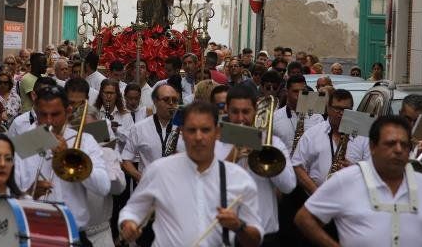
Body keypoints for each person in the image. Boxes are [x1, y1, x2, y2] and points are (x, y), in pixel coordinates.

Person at [119, 101, 264, 247]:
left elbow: (255, 240)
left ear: (218, 132)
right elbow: (132, 210)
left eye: (206, 130)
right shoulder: (159, 171)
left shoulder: (239, 178)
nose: (198, 137)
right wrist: (129, 224)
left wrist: (238, 226)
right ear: (182, 131)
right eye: (192, 130)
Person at [294, 115, 422, 247]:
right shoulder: (346, 179)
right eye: (390, 143)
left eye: (404, 145)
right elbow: (304, 219)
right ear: (373, 146)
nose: (399, 150)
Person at [19, 86, 111, 246]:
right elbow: (6, 194)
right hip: (33, 233)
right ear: (36, 111)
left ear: (68, 111)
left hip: (73, 234)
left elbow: (103, 187)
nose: (48, 121)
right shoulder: (25, 141)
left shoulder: (85, 141)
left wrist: (70, 156)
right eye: (43, 115)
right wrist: (29, 194)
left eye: (55, 114)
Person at [224, 86, 296, 247]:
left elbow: (288, 186)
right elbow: (210, 183)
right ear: (227, 110)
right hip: (224, 235)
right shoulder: (217, 143)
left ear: (256, 111)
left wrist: (267, 153)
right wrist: (232, 156)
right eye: (235, 112)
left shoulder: (273, 143)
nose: (241, 118)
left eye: (246, 112)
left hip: (265, 234)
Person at [292, 89, 371, 194]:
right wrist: (316, 193)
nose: (341, 114)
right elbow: (297, 166)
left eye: (346, 109)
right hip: (318, 201)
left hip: (352, 200)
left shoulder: (364, 137)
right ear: (328, 109)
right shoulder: (312, 134)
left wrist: (356, 170)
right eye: (337, 109)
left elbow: (373, 171)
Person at [122, 84, 182, 181]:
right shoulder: (139, 128)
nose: (171, 103)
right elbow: (126, 160)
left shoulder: (185, 129)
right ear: (155, 101)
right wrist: (142, 179)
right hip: (148, 190)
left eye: (175, 100)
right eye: (166, 99)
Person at [273, 75, 325, 152]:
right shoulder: (275, 117)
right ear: (287, 92)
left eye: (303, 91)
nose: (300, 95)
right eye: (295, 91)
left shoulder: (318, 118)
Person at [94, 78, 133, 150]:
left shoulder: (126, 115)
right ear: (101, 94)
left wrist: (116, 130)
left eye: (111, 93)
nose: (108, 96)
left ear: (117, 95)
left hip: (119, 158)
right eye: (106, 93)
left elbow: (131, 140)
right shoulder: (93, 114)